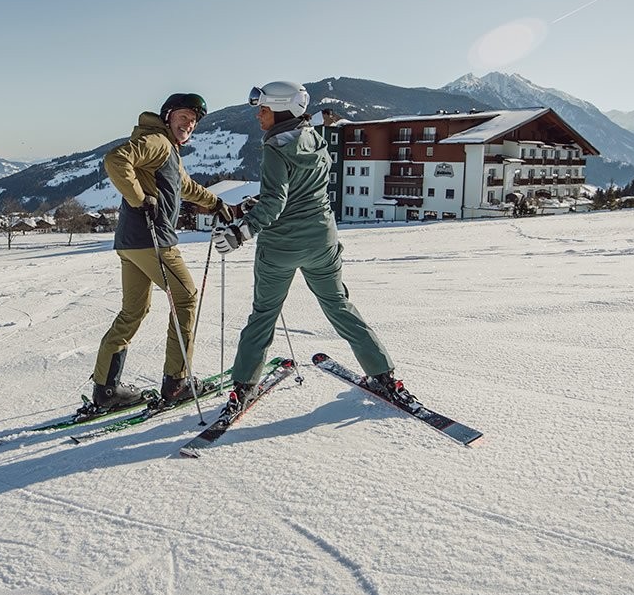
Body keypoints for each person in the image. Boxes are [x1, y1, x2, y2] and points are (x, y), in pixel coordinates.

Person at [211, 81, 420, 414]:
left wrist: (239, 233)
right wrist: (260, 202)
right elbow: (301, 191)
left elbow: (277, 203)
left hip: (280, 247)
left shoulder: (275, 151)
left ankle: (243, 386)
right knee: (339, 306)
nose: (259, 116)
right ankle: (383, 374)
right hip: (322, 241)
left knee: (264, 315)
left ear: (280, 111)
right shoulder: (316, 140)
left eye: (263, 109)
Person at [87, 92, 238, 414]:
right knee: (185, 298)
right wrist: (140, 198)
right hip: (152, 239)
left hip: (130, 243)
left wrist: (218, 204)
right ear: (168, 115)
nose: (189, 124)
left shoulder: (168, 150)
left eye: (194, 121)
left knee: (133, 312)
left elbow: (186, 186)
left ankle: (106, 389)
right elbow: (116, 160)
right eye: (184, 116)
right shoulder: (157, 141)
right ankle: (177, 382)